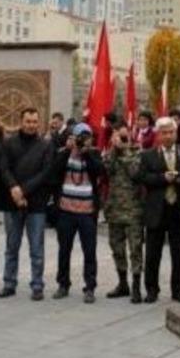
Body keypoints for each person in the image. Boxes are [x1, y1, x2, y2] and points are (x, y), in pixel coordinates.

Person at [0, 107, 55, 300]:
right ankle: (9, 283)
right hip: (12, 201)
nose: (31, 125)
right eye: (28, 121)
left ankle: (37, 285)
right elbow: (4, 168)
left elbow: (45, 173)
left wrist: (23, 190)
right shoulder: (9, 143)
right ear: (21, 121)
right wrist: (14, 188)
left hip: (36, 204)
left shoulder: (46, 145)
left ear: (38, 123)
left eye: (34, 121)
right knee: (11, 246)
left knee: (36, 248)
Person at [139, 116, 180, 304]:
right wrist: (163, 178)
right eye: (164, 133)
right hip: (156, 211)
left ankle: (178, 290)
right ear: (158, 135)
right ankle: (151, 290)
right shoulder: (148, 155)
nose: (168, 136)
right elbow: (143, 178)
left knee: (178, 254)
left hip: (178, 212)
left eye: (171, 132)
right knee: (153, 254)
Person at [52, 122, 104, 303]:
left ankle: (90, 287)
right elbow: (54, 171)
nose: (82, 140)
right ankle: (63, 284)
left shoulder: (94, 154)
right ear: (73, 137)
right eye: (79, 136)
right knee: (64, 250)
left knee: (89, 251)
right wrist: (68, 150)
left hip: (87, 212)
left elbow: (100, 172)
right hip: (66, 209)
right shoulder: (64, 154)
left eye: (86, 136)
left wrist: (86, 153)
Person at [103, 122, 144, 303]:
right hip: (115, 209)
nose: (121, 139)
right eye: (118, 136)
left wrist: (125, 151)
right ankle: (123, 283)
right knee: (117, 248)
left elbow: (135, 173)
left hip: (133, 209)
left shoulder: (137, 153)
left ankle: (136, 286)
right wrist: (114, 150)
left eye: (124, 136)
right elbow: (107, 170)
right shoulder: (111, 153)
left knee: (135, 248)